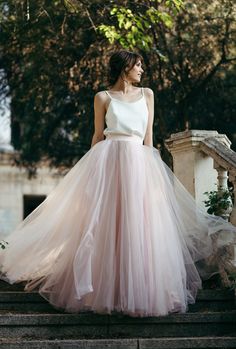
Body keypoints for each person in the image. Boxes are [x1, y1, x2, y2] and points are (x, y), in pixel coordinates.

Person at [0, 50, 235, 318]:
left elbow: (149, 138)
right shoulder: (102, 98)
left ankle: (139, 293)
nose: (142, 70)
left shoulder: (147, 95)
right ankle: (107, 292)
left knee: (140, 228)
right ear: (125, 68)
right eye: (138, 66)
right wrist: (90, 177)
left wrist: (152, 178)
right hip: (109, 162)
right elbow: (97, 136)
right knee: (107, 227)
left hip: (139, 164)